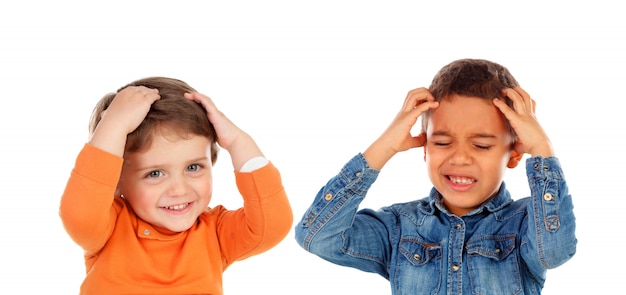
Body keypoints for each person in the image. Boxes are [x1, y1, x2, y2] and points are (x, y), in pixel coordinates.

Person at [294, 59, 576, 294]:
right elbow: (316, 237)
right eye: (442, 143)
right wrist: (384, 146)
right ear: (425, 148)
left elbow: (555, 251)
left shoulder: (527, 223)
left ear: (514, 153)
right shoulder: (400, 227)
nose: (460, 157)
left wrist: (542, 150)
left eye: (481, 145)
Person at [60, 77, 293, 294]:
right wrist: (114, 125)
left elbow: (272, 226)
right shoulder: (109, 228)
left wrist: (237, 141)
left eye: (193, 168)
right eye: (155, 173)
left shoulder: (214, 232)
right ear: (117, 179)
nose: (179, 190)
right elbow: (80, 213)